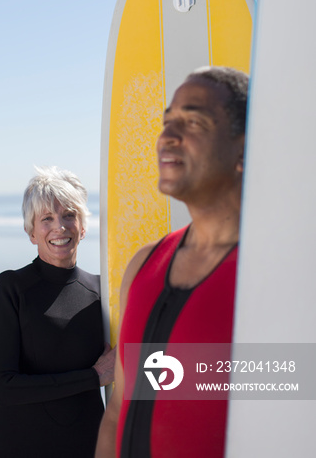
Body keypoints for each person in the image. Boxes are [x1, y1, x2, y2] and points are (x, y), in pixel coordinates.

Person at [95, 66, 249, 458]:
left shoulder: (272, 273)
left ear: (244, 148)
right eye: (167, 122)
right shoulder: (145, 265)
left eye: (193, 122)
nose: (168, 137)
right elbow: (117, 411)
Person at [0, 166, 114, 458]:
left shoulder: (103, 292)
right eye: (47, 218)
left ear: (83, 227)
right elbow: (4, 388)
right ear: (31, 232)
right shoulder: (12, 287)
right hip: (18, 444)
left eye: (69, 214)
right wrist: (93, 377)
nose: (60, 226)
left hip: (86, 444)